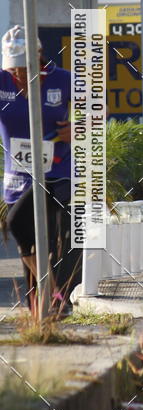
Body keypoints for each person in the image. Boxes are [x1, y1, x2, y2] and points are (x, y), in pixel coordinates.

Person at [0, 25, 78, 315]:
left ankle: (55, 295)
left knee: (16, 223)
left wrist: (78, 128)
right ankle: (42, 318)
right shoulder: (2, 81)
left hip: (55, 173)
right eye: (14, 68)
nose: (19, 74)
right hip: (16, 180)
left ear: (39, 56)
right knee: (30, 244)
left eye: (24, 67)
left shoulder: (63, 79)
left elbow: (99, 109)